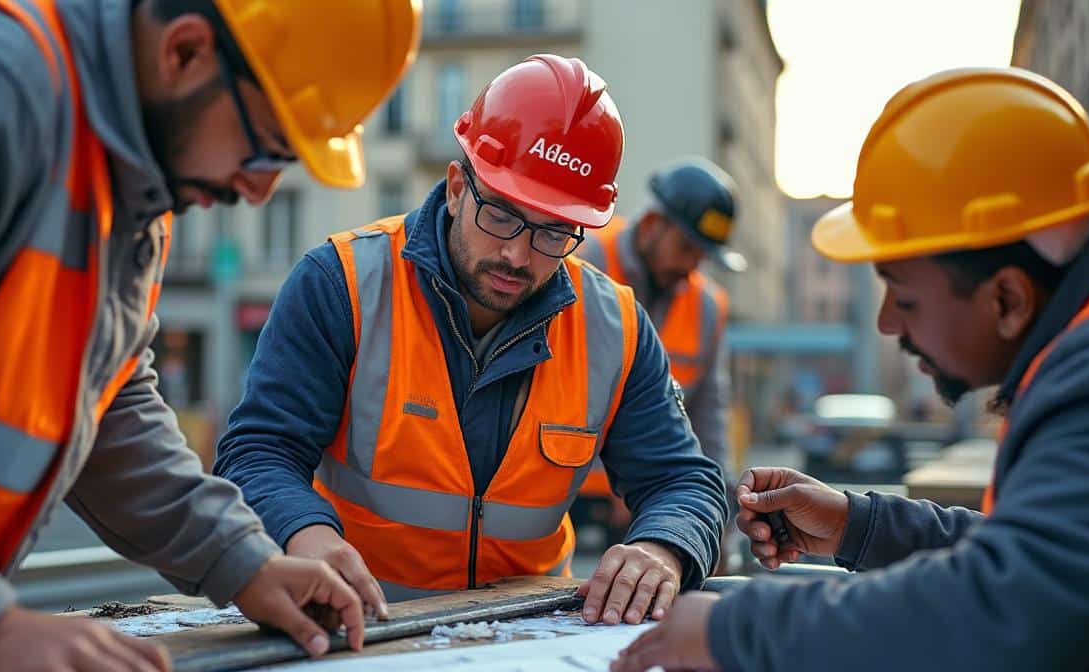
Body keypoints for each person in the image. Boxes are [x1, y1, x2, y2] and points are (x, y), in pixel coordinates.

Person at [0, 0, 420, 672]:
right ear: (184, 52)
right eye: (270, 150)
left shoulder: (133, 177)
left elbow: (111, 409)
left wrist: (244, 562)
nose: (259, 190)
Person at [612, 67, 1089, 672]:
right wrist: (858, 525)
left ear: (1008, 299)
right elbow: (1043, 554)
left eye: (903, 297)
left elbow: (1007, 613)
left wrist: (735, 630)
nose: (885, 323)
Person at [215, 55, 728, 631]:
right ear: (458, 187)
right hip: (358, 624)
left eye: (554, 230)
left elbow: (685, 481)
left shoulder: (617, 326)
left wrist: (663, 548)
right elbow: (259, 451)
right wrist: (306, 538)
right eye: (502, 215)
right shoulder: (341, 284)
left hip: (525, 636)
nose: (518, 254)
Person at [573, 158, 737, 553]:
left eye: (701, 255)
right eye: (685, 247)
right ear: (651, 225)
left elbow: (708, 419)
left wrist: (718, 515)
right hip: (561, 497)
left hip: (646, 503)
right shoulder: (581, 262)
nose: (691, 266)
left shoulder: (707, 306)